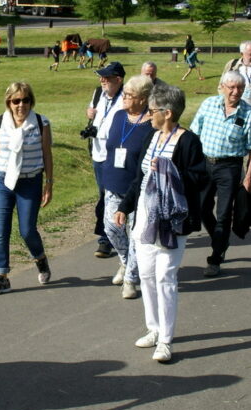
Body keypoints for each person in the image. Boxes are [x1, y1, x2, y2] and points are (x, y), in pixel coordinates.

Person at [116, 84, 207, 363]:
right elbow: (139, 178)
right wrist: (124, 207)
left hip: (171, 219)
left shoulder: (189, 141)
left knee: (165, 276)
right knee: (145, 274)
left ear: (167, 113)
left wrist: (169, 171)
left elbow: (200, 179)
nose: (149, 115)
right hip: (145, 215)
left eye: (153, 111)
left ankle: (166, 340)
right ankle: (153, 329)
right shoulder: (151, 137)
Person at [0, 82, 54, 296]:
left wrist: (49, 183)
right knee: (1, 231)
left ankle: (41, 259)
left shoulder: (40, 122)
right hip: (3, 182)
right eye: (16, 100)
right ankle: (1, 277)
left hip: (30, 181)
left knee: (27, 230)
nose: (21, 105)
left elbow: (47, 154)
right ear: (9, 102)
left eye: (26, 100)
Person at [188, 71, 251, 277]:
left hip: (230, 167)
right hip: (205, 163)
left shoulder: (249, 114)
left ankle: (216, 257)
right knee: (201, 208)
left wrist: (248, 178)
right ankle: (219, 239)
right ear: (222, 87)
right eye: (232, 88)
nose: (236, 92)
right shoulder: (209, 104)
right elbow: (194, 134)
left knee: (224, 213)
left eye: (240, 88)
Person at [101, 75, 154, 297]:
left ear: (143, 99)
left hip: (137, 188)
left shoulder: (151, 124)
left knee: (135, 235)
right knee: (111, 228)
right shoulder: (119, 116)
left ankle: (131, 280)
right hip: (113, 182)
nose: (124, 97)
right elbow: (111, 146)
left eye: (130, 95)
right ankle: (126, 262)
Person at [87, 62, 127, 258]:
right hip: (98, 154)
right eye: (101, 77)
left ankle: (106, 239)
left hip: (117, 157)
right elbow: (93, 114)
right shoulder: (98, 94)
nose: (102, 80)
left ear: (118, 80)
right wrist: (90, 115)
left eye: (106, 77)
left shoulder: (127, 98)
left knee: (110, 196)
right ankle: (108, 236)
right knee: (104, 195)